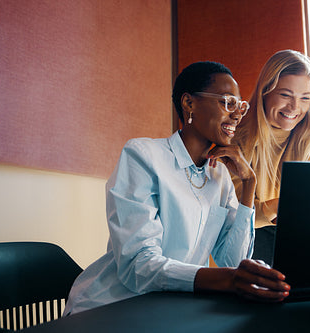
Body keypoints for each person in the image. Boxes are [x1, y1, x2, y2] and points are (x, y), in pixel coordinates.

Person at [63, 61, 290, 315]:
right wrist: (226, 280)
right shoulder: (143, 155)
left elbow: (234, 262)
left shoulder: (221, 177)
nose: (237, 114)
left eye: (239, 106)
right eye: (227, 102)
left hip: (171, 308)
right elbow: (138, 266)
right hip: (112, 307)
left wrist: (249, 185)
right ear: (189, 103)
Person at [231, 50, 310, 265]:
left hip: (305, 228)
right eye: (285, 95)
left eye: (305, 98)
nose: (294, 108)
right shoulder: (237, 136)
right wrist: (276, 207)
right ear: (265, 91)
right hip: (254, 228)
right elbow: (235, 213)